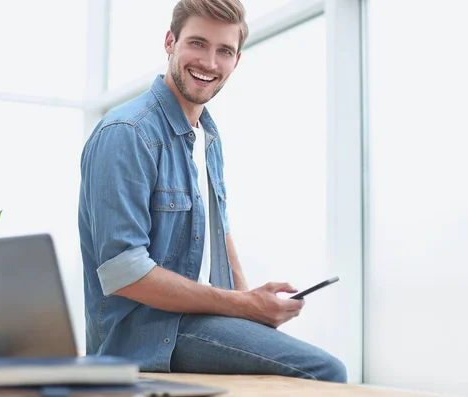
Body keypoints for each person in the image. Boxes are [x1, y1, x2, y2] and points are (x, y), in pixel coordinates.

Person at [78, 0, 347, 383]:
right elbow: (125, 273)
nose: (209, 62)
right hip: (143, 336)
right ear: (170, 42)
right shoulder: (127, 133)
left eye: (224, 51)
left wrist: (250, 302)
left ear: (237, 60)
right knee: (326, 371)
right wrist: (243, 306)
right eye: (197, 43)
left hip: (194, 322)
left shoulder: (207, 134)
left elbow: (219, 228)